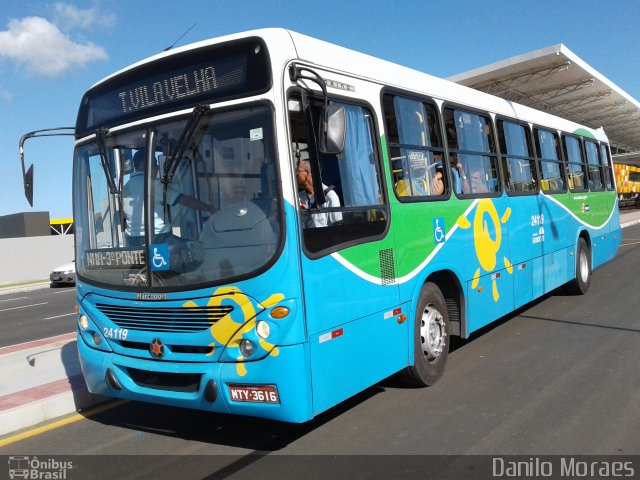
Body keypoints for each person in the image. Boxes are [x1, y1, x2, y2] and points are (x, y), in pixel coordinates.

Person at [123, 149, 216, 246]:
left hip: (133, 240)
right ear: (143, 164)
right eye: (154, 163)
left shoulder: (126, 187)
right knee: (198, 247)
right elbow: (185, 200)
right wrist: (212, 209)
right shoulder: (153, 184)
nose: (158, 167)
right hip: (158, 237)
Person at [296, 160, 342, 227]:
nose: (295, 174)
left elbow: (337, 227)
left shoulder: (330, 197)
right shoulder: (298, 197)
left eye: (298, 171)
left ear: (307, 173)